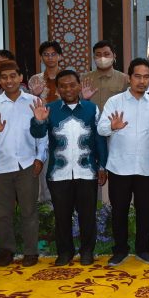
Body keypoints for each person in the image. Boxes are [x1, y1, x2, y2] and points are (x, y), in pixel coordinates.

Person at [30, 69, 107, 266]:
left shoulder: (91, 109)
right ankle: (64, 252)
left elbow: (99, 140)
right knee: (61, 216)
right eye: (63, 86)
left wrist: (102, 166)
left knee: (87, 216)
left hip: (86, 171)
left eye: (72, 85)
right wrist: (38, 120)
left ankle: (87, 251)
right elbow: (38, 134)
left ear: (79, 86)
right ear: (57, 89)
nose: (68, 89)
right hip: (58, 173)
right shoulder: (50, 108)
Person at [97, 58, 149, 267]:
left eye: (146, 77)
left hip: (145, 167)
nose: (142, 81)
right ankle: (120, 250)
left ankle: (143, 249)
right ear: (129, 77)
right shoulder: (115, 102)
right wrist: (113, 127)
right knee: (120, 211)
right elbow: (100, 129)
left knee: (144, 211)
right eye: (138, 76)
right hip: (120, 167)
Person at [0, 60, 47, 267]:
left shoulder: (33, 101)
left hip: (27, 164)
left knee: (29, 210)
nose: (9, 80)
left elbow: (42, 134)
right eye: (4, 77)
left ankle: (31, 251)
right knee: (4, 213)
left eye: (13, 76)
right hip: (2, 165)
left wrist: (40, 158)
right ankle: (7, 249)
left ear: (21, 78)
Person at [80, 40, 129, 112]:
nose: (102, 58)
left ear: (114, 56)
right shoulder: (83, 78)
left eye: (106, 54)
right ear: (94, 57)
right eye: (98, 54)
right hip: (90, 120)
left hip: (114, 121)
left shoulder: (124, 79)